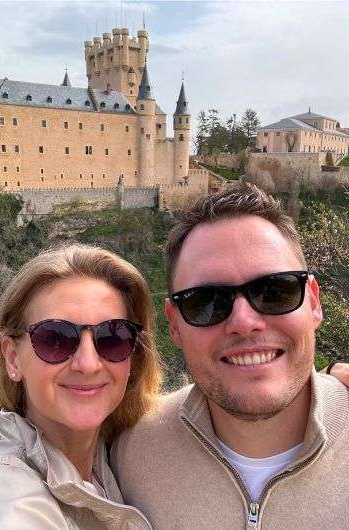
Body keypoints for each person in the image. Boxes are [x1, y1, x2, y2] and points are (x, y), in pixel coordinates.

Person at [111, 182, 349, 528]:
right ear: (174, 325)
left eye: (275, 291)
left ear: (313, 302)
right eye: (206, 302)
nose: (243, 322)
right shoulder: (129, 453)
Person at [0, 244, 163, 528]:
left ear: (134, 358)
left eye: (113, 338)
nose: (88, 364)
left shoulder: (115, 458)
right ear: (13, 358)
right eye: (55, 339)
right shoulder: (5, 496)